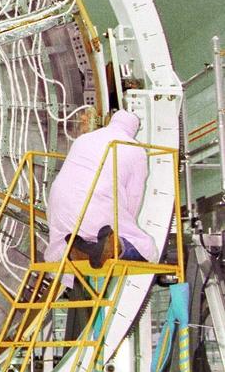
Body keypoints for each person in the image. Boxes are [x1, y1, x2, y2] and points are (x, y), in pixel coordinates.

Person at [46, 109, 155, 267]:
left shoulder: (83, 139)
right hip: (96, 207)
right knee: (147, 249)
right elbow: (134, 196)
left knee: (63, 245)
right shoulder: (136, 150)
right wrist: (124, 226)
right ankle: (114, 248)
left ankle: (78, 252)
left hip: (58, 207)